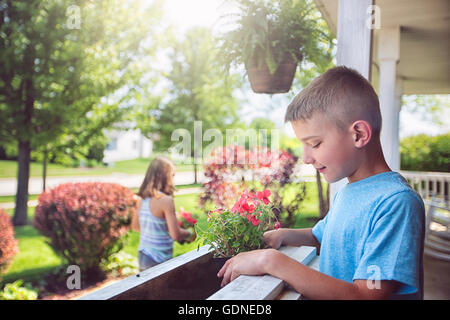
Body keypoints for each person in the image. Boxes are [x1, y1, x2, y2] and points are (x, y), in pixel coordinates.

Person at [217, 66, 425, 299]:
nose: (306, 158)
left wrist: (270, 261)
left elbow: (366, 295)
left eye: (315, 144)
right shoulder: (348, 193)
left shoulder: (396, 203)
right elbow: (321, 236)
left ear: (358, 135)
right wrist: (284, 235)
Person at [132, 156, 191, 271]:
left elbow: (136, 226)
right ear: (163, 176)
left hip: (143, 256)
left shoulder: (142, 199)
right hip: (158, 260)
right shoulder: (166, 200)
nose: (173, 180)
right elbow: (176, 234)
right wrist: (189, 233)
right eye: (172, 175)